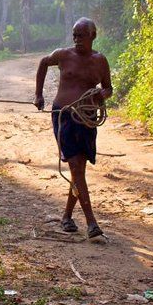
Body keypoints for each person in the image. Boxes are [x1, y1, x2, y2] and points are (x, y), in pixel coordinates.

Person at [33, 17, 112, 240]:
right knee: (76, 167)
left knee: (80, 170)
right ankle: (92, 223)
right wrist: (39, 94)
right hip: (64, 116)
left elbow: (108, 88)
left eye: (81, 35)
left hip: (87, 118)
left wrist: (101, 95)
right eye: (74, 35)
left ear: (93, 36)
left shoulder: (100, 61)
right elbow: (43, 62)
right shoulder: (63, 55)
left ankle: (67, 216)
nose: (77, 40)